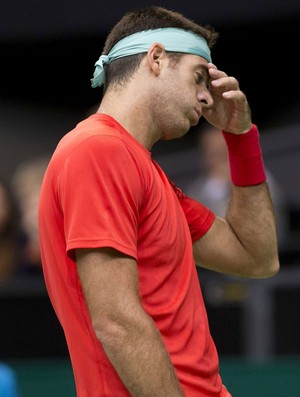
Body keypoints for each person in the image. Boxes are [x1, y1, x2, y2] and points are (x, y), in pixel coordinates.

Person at [38, 6, 279, 397]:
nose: (206, 97)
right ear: (156, 58)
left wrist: (241, 137)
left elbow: (258, 257)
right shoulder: (99, 149)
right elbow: (117, 321)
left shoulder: (145, 173)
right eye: (199, 77)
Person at [186, 123, 289, 250]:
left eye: (223, 153)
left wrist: (236, 184)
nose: (217, 161)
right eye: (212, 154)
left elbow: (270, 228)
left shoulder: (259, 180)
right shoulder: (195, 192)